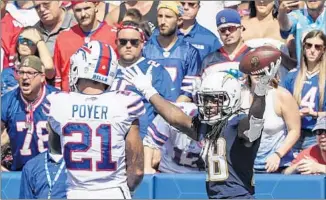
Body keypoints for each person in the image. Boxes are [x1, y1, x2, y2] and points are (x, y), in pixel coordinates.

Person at [122, 56, 281, 198]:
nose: (209, 105)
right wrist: (149, 91)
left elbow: (254, 122)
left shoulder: (238, 124)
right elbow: (175, 118)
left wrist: (260, 93)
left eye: (215, 100)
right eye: (205, 99)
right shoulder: (207, 127)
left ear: (232, 97)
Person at [46, 41, 144, 199]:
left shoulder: (58, 103)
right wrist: (127, 190)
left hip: (76, 193)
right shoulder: (124, 103)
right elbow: (137, 170)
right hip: (114, 191)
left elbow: (55, 151)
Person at [112, 20, 176, 139]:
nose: (128, 45)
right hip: (112, 140)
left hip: (143, 141)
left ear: (142, 44)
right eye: (123, 41)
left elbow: (169, 109)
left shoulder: (156, 70)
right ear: (116, 43)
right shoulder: (108, 69)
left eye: (134, 42)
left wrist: (155, 141)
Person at [1, 55, 58, 171]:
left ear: (42, 77)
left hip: (51, 172)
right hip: (19, 171)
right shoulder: (8, 101)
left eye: (30, 73)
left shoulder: (57, 99)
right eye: (21, 72)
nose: (25, 77)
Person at [143, 1, 201, 102]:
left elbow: (188, 91)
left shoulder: (189, 52)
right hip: (149, 113)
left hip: (178, 111)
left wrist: (171, 112)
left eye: (168, 17)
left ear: (179, 20)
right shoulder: (145, 49)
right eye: (160, 16)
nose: (162, 21)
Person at [53, 1, 117, 91]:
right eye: (78, 10)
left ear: (95, 6)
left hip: (104, 97)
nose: (83, 14)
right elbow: (58, 77)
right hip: (70, 98)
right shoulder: (63, 37)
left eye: (87, 8)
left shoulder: (113, 35)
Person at [242, 74, 300, 173]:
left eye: (263, 67)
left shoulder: (281, 95)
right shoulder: (240, 94)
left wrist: (278, 154)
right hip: (245, 167)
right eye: (254, 66)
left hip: (276, 166)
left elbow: (294, 130)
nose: (258, 72)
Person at [282, 30, 326, 153]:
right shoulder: (292, 76)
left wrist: (315, 114)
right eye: (308, 45)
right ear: (303, 47)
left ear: (323, 50)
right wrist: (294, 114)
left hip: (316, 134)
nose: (312, 50)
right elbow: (281, 106)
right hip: (293, 133)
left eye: (317, 47)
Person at [143, 102, 205, 174]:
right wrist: (147, 168)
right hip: (168, 170)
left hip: (203, 174)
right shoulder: (172, 113)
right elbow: (150, 142)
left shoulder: (219, 124)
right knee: (153, 159)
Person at [19, 122, 67, 199]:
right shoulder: (31, 166)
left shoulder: (80, 165)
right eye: (56, 124)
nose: (60, 129)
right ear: (47, 126)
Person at [1, 27, 55, 94]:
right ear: (17, 46)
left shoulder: (41, 68)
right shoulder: (8, 72)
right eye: (22, 40)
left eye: (30, 41)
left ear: (37, 47)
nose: (25, 44)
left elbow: (49, 68)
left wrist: (40, 42)